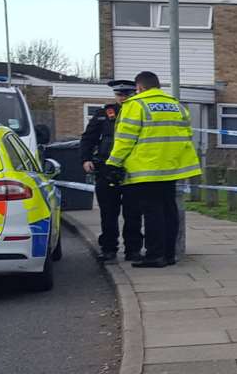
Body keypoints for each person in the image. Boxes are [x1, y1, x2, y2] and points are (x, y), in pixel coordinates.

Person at [104, 70, 202, 268]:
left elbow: (125, 139)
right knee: (169, 210)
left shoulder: (136, 105)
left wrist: (113, 163)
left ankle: (154, 255)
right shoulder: (176, 105)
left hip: (146, 168)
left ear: (139, 87)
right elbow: (186, 134)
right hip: (173, 167)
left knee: (152, 212)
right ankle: (169, 255)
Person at [80, 82, 141, 262]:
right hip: (106, 168)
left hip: (133, 168)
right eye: (119, 95)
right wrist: (85, 159)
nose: (122, 98)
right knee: (108, 213)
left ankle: (133, 250)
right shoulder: (104, 114)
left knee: (133, 213)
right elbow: (88, 138)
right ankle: (108, 249)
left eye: (126, 94)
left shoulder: (140, 113)